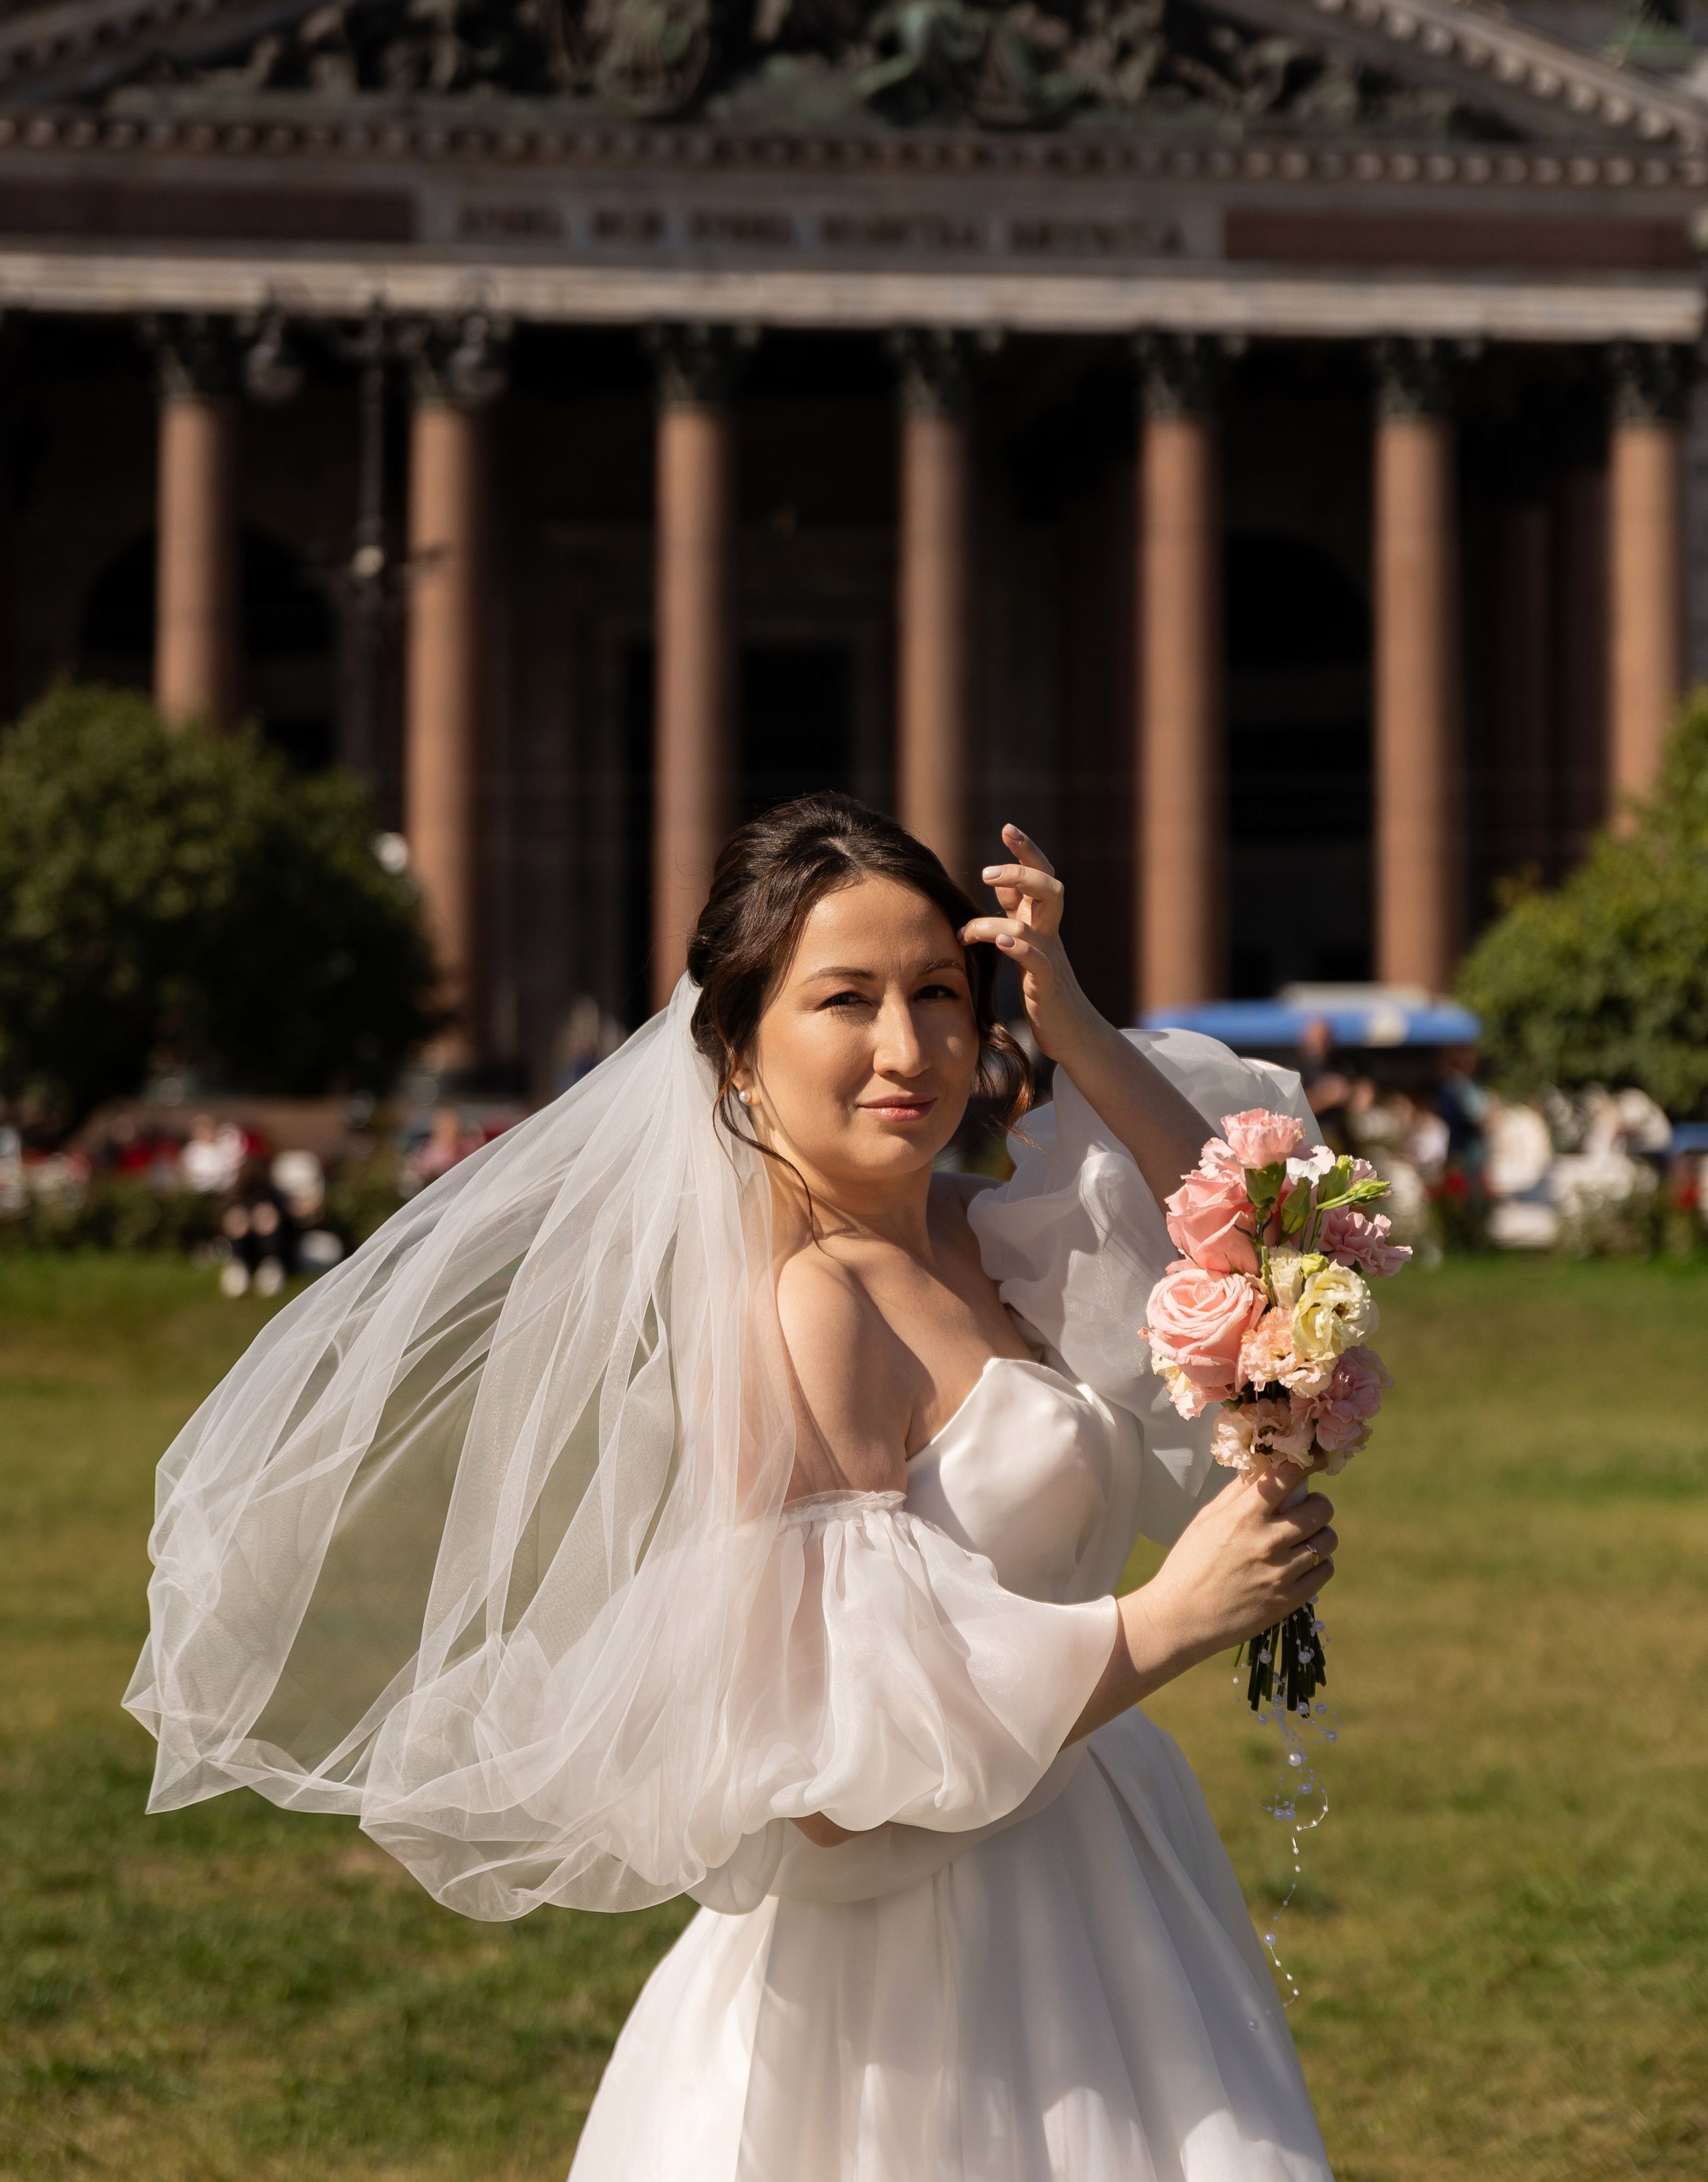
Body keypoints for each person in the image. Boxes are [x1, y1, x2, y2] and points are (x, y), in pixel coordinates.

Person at [126, 793, 1338, 2181]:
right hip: (919, 1966)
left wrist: (1073, 1024)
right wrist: (1159, 1624)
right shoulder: (807, 1311)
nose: (906, 1048)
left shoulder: (977, 1231)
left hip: (1101, 1860)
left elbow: (1259, 1238)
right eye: (845, 999)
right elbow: (822, 1778)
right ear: (738, 1054)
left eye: (938, 992)